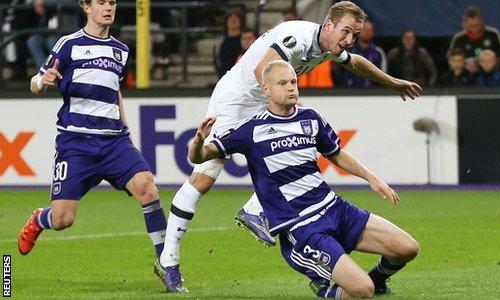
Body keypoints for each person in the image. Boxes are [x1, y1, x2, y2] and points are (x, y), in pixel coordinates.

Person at [157, 0, 421, 293]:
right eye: (346, 32)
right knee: (204, 178)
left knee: (287, 153)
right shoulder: (296, 37)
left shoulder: (329, 45)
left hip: (268, 100)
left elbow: (356, 62)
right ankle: (169, 259)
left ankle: (257, 209)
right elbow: (263, 69)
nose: (349, 40)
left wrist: (392, 82)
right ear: (329, 25)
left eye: (355, 35)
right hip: (237, 99)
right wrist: (287, 115)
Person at [189, 60, 419, 298]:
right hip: (301, 226)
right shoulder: (251, 130)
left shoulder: (310, 117)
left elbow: (336, 153)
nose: (291, 88)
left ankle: (378, 279)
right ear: (266, 89)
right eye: (282, 83)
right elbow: (200, 156)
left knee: (407, 248)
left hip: (334, 208)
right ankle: (327, 289)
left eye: (293, 82)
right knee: (362, 291)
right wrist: (198, 141)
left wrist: (372, 179)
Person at [18, 0, 167, 274]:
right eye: (101, 2)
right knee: (63, 219)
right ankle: (40, 219)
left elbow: (115, 92)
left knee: (147, 187)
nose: (109, 7)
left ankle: (167, 265)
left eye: (112, 2)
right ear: (86, 7)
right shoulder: (69, 44)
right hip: (76, 144)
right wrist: (43, 81)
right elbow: (34, 82)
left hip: (114, 142)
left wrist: (126, 131)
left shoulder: (121, 50)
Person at [449, 7, 500, 74]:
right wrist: (464, 66)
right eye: (471, 26)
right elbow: (451, 59)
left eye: (477, 25)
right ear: (465, 24)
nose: (474, 28)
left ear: (482, 22)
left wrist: (485, 66)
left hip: (490, 75)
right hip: (465, 75)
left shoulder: (493, 34)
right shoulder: (458, 38)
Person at [334, 20, 387, 87]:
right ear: (358, 32)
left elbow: (383, 75)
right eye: (364, 30)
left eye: (370, 30)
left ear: (373, 33)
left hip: (373, 93)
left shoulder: (378, 53)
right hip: (350, 92)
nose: (367, 32)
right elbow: (339, 71)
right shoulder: (348, 51)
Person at [214, 10, 244, 77]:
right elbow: (217, 60)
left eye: (236, 17)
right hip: (224, 76)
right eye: (230, 17)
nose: (233, 19)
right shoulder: (220, 40)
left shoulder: (246, 39)